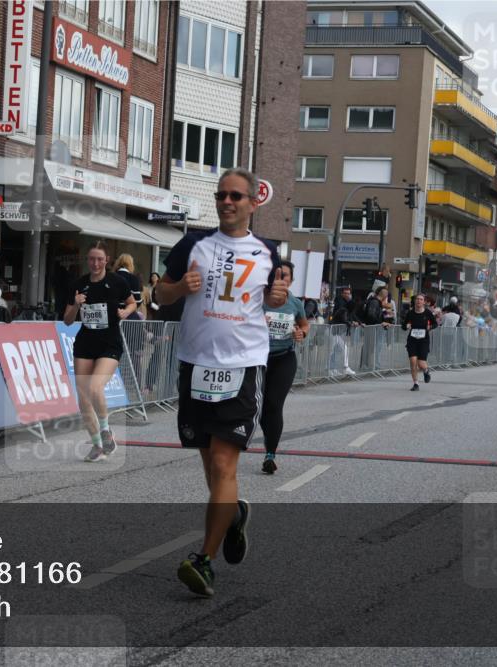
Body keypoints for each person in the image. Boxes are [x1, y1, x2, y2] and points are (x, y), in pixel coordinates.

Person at [158, 168, 286, 598]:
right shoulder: (194, 244)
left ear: (252, 203)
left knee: (224, 464)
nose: (226, 202)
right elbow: (159, 294)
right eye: (221, 195)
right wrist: (178, 287)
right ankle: (232, 515)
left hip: (242, 366)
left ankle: (205, 560)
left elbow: (277, 296)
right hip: (195, 364)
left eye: (235, 196)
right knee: (209, 462)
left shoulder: (269, 252)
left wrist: (277, 299)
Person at [64, 241, 135, 463]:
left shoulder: (117, 282)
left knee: (95, 387)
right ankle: (97, 445)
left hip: (109, 343)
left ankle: (105, 431)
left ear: (107, 262)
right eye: (92, 259)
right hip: (85, 343)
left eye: (100, 259)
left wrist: (126, 312)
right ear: (88, 260)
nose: (95, 263)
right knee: (83, 397)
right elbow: (67, 321)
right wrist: (75, 305)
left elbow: (132, 303)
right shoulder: (79, 284)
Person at [260, 260, 309, 475]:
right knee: (258, 408)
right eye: (277, 275)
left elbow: (305, 324)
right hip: (258, 359)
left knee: (273, 404)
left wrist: (302, 333)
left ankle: (270, 453)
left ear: (291, 280)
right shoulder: (259, 299)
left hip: (284, 358)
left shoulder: (295, 303)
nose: (281, 279)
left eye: (285, 275)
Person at [403, 293, 438, 391]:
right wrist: (406, 326)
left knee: (421, 364)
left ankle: (426, 371)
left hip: (424, 341)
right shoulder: (410, 313)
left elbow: (435, 324)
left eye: (421, 299)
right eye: (417, 299)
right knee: (413, 361)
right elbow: (403, 325)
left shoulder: (427, 313)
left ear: (424, 302)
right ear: (415, 301)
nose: (418, 301)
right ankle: (416, 384)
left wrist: (430, 327)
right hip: (412, 340)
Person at [113, 254, 143, 321]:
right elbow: (137, 301)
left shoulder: (111, 276)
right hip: (128, 317)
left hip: (112, 316)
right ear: (131, 264)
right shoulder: (133, 278)